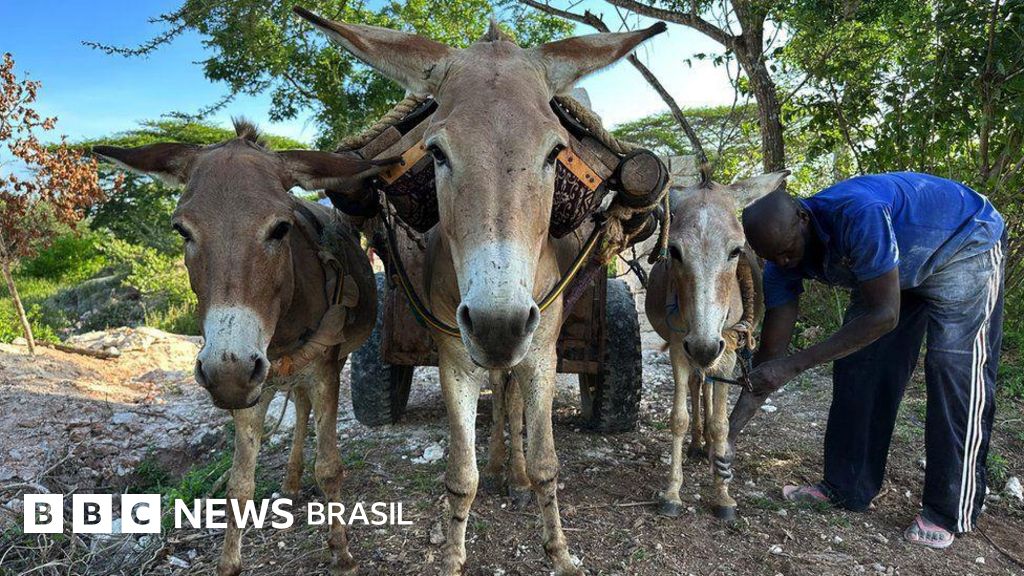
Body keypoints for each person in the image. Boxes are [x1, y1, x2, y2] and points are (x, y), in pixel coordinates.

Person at [740, 172, 1005, 549]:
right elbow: (771, 355)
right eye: (773, 258)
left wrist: (795, 365)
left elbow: (884, 315)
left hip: (964, 244)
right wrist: (728, 431)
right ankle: (846, 487)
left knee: (953, 369)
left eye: (787, 250)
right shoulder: (779, 262)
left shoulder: (857, 214)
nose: (783, 261)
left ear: (803, 219)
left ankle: (948, 511)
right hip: (892, 268)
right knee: (860, 363)